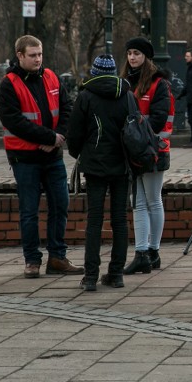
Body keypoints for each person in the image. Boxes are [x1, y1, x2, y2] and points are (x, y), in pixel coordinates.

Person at [0, 35, 81, 278]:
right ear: (20, 55)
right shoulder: (8, 84)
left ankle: (57, 257)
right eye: (32, 55)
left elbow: (67, 107)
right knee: (29, 211)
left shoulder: (51, 76)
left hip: (52, 155)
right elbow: (15, 122)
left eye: (40, 54)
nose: (37, 59)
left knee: (60, 205)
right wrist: (49, 137)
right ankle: (32, 260)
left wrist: (59, 136)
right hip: (25, 158)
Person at [67, 55, 131, 291]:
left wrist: (82, 154)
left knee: (95, 220)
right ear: (114, 72)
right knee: (120, 220)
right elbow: (135, 126)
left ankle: (91, 276)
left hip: (94, 166)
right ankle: (116, 274)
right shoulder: (127, 94)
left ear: (94, 73)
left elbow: (74, 134)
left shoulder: (85, 96)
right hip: (122, 165)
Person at [121, 37, 174, 275]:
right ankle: (142, 252)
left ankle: (152, 250)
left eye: (137, 53)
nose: (132, 57)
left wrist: (132, 131)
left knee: (152, 200)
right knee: (139, 202)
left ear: (146, 57)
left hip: (154, 150)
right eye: (130, 53)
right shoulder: (124, 82)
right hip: (134, 150)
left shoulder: (158, 83)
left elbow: (159, 118)